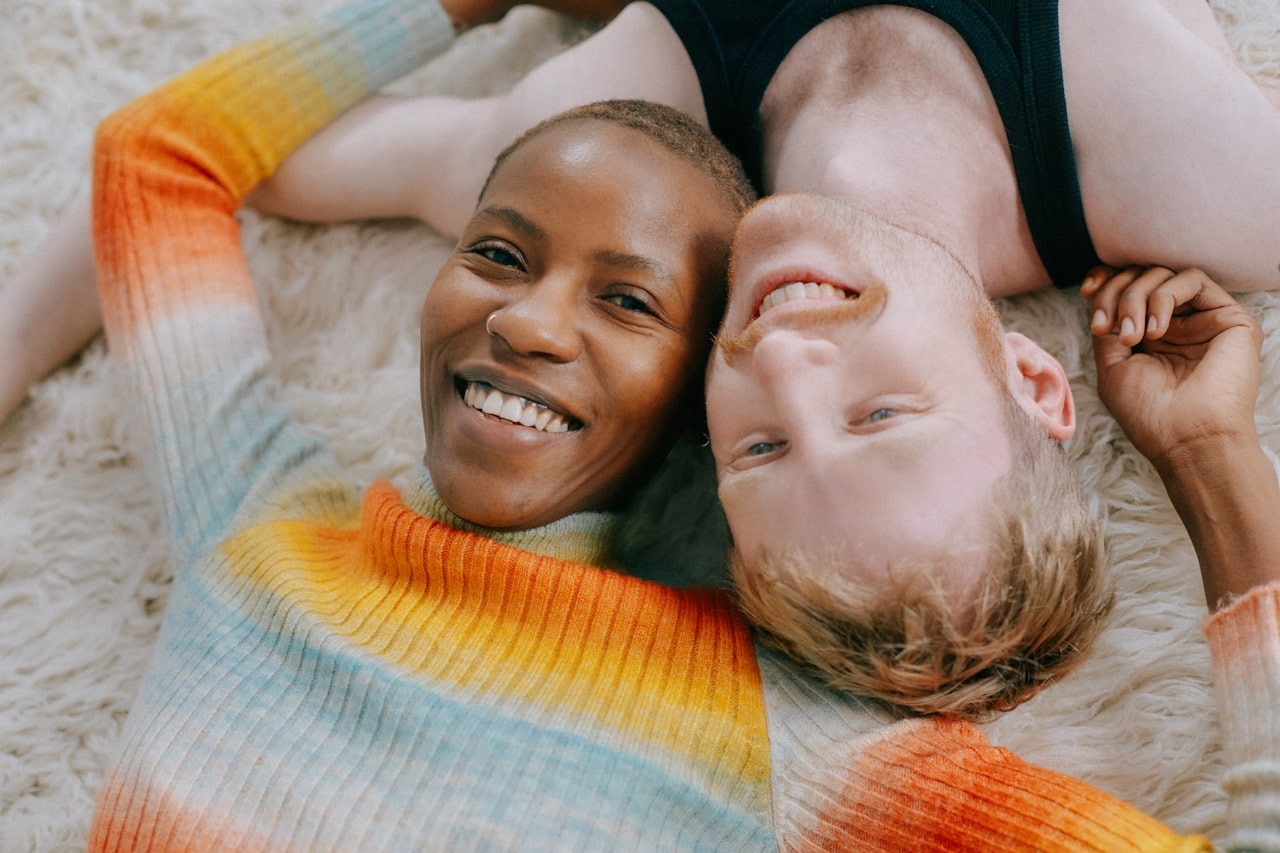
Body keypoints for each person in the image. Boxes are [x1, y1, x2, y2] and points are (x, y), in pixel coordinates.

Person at [75, 0, 1278, 848]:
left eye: (760, 448)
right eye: (878, 415)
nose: (782, 363)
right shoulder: (1214, 188)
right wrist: (1211, 463)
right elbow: (161, 161)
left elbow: (157, 163)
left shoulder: (603, 179)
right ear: (1034, 379)